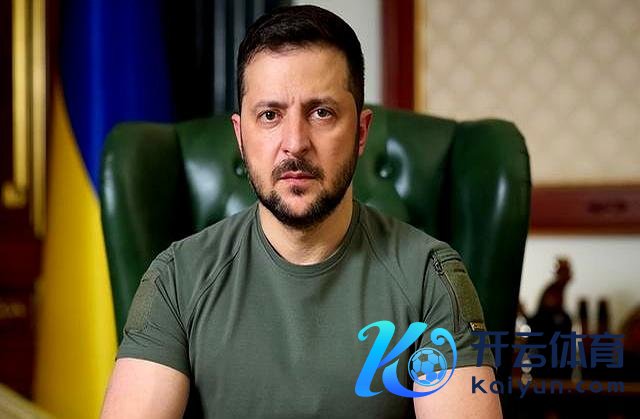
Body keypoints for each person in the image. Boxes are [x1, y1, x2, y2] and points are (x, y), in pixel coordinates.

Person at [101, 5, 500, 418]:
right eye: (269, 115)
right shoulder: (176, 278)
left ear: (361, 132)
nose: (294, 142)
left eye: (321, 112)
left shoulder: (431, 278)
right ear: (241, 136)